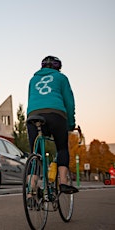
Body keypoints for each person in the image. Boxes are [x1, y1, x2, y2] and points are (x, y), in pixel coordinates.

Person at [27, 56, 79, 194]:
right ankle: (63, 182)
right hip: (55, 114)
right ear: (58, 67)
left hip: (33, 115)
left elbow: (30, 99)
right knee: (62, 147)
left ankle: (31, 189)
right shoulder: (61, 78)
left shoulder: (32, 79)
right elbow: (69, 102)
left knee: (35, 152)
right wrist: (70, 123)